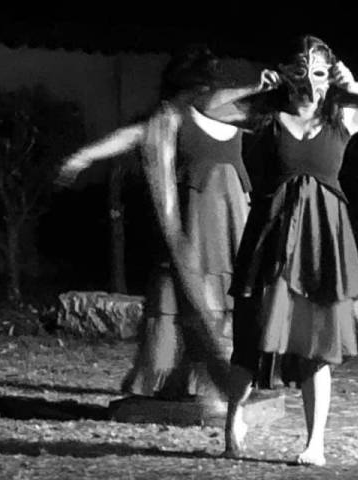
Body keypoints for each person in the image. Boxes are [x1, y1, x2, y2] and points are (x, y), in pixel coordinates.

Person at [201, 35, 358, 465]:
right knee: (251, 340)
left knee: (317, 346)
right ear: (287, 73)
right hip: (270, 239)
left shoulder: (343, 118)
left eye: (318, 72)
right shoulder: (267, 116)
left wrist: (352, 85)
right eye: (300, 71)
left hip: (321, 244)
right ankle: (234, 421)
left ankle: (314, 443)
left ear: (329, 76)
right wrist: (255, 86)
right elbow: (207, 107)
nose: (309, 82)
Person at [56, 45, 253, 404]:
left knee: (224, 300)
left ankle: (218, 380)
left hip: (228, 224)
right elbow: (131, 136)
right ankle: (175, 380)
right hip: (195, 224)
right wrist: (83, 156)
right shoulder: (172, 118)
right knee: (178, 297)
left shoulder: (234, 112)